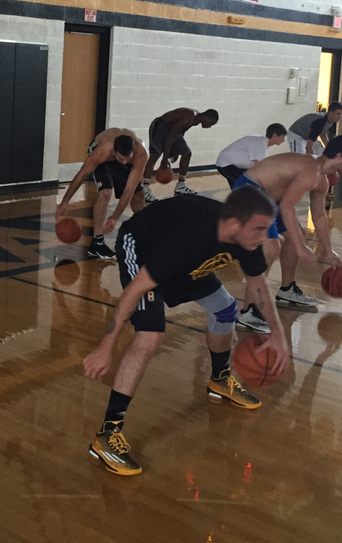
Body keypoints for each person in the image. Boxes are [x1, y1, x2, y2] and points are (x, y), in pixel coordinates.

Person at [82, 186, 288, 476]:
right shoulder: (187, 239)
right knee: (151, 335)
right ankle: (107, 434)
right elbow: (132, 292)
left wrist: (278, 334)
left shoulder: (245, 240)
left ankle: (220, 379)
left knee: (226, 310)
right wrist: (106, 346)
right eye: (259, 229)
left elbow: (258, 284)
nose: (265, 236)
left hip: (187, 265)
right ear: (233, 225)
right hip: (144, 249)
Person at [231, 135, 342, 323]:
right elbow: (287, 207)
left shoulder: (322, 180)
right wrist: (300, 247)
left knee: (299, 234)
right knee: (272, 247)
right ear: (339, 156)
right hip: (250, 191)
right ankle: (249, 311)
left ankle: (287, 289)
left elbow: (320, 216)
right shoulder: (311, 170)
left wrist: (329, 251)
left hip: (270, 197)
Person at [56, 129, 148, 260]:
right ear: (114, 152)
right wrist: (65, 200)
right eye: (121, 158)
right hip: (101, 150)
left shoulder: (141, 154)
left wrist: (115, 216)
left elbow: (129, 190)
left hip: (124, 154)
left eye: (128, 158)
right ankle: (97, 242)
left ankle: (144, 234)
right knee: (105, 193)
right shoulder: (103, 151)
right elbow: (81, 174)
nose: (124, 162)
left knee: (139, 195)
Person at [140, 108, 219, 202]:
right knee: (154, 156)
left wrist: (176, 149)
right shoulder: (189, 117)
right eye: (211, 123)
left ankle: (181, 185)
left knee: (186, 153)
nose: (209, 126)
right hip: (160, 127)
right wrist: (165, 159)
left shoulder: (195, 121)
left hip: (172, 132)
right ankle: (144, 189)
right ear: (206, 117)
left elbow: (180, 133)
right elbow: (170, 136)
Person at [215, 124, 287, 188]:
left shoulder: (261, 142)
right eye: (282, 137)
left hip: (236, 165)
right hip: (225, 165)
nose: (283, 140)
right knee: (240, 185)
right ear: (274, 136)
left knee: (244, 185)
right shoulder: (261, 144)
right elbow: (259, 167)